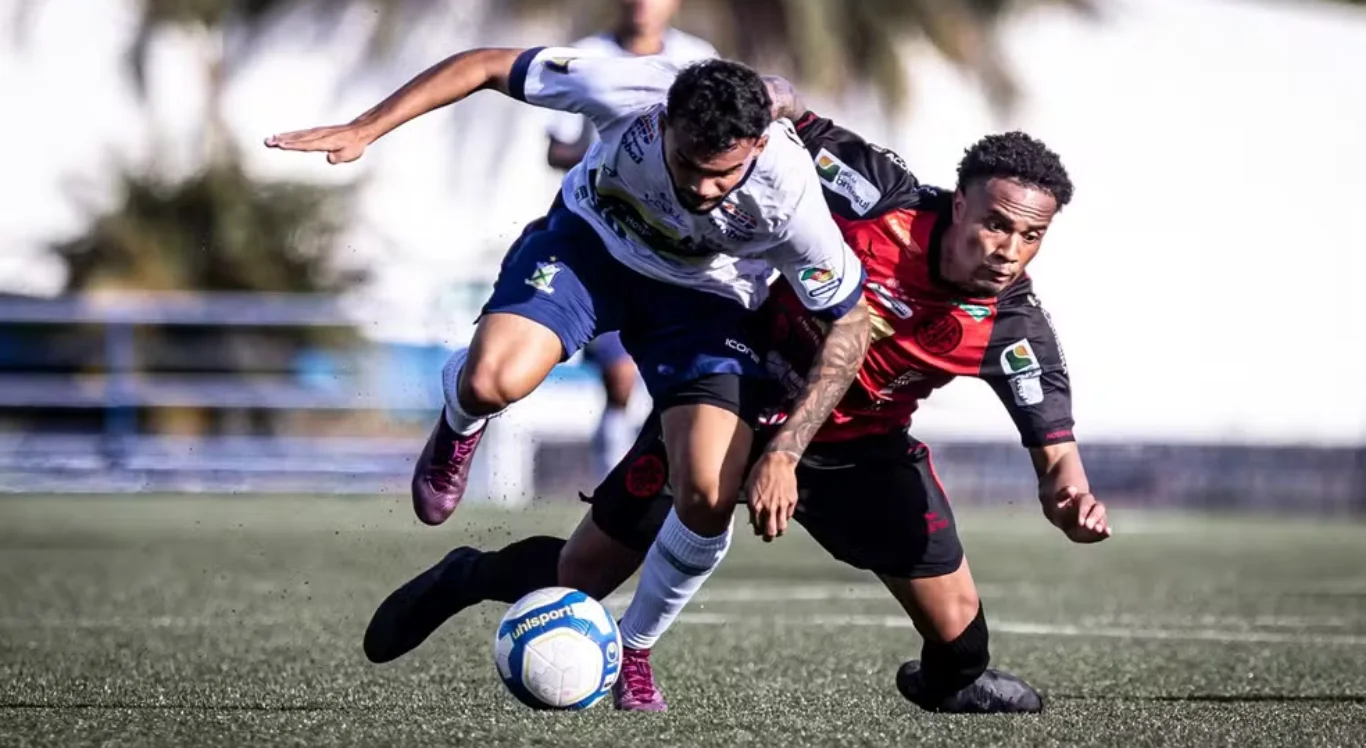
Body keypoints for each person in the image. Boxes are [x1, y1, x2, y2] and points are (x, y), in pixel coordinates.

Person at [359, 81, 1112, 715]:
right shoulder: (876, 192)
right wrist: (770, 93)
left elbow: (1057, 458)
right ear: (960, 207)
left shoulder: (1015, 331)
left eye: (1029, 237)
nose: (1008, 250)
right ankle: (471, 576)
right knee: (579, 580)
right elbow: (781, 112)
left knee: (961, 649)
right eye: (995, 225)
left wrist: (1072, 500)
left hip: (858, 453)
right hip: (736, 384)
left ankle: (944, 683)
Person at [266, 49, 872, 694]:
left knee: (706, 495)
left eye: (722, 175)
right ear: (664, 121)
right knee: (491, 381)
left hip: (704, 306)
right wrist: (366, 128)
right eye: (688, 164)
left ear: (756, 144)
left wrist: (785, 449)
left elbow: (851, 321)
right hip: (591, 248)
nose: (701, 188)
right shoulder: (629, 87)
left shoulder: (790, 193)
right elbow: (485, 66)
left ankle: (632, 651)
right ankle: (460, 419)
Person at [543, 0, 719, 481]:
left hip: (672, 245)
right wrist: (622, 143)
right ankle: (608, 481)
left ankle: (643, 483)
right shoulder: (586, 55)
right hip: (603, 236)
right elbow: (556, 147)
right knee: (620, 378)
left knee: (669, 382)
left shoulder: (696, 56)